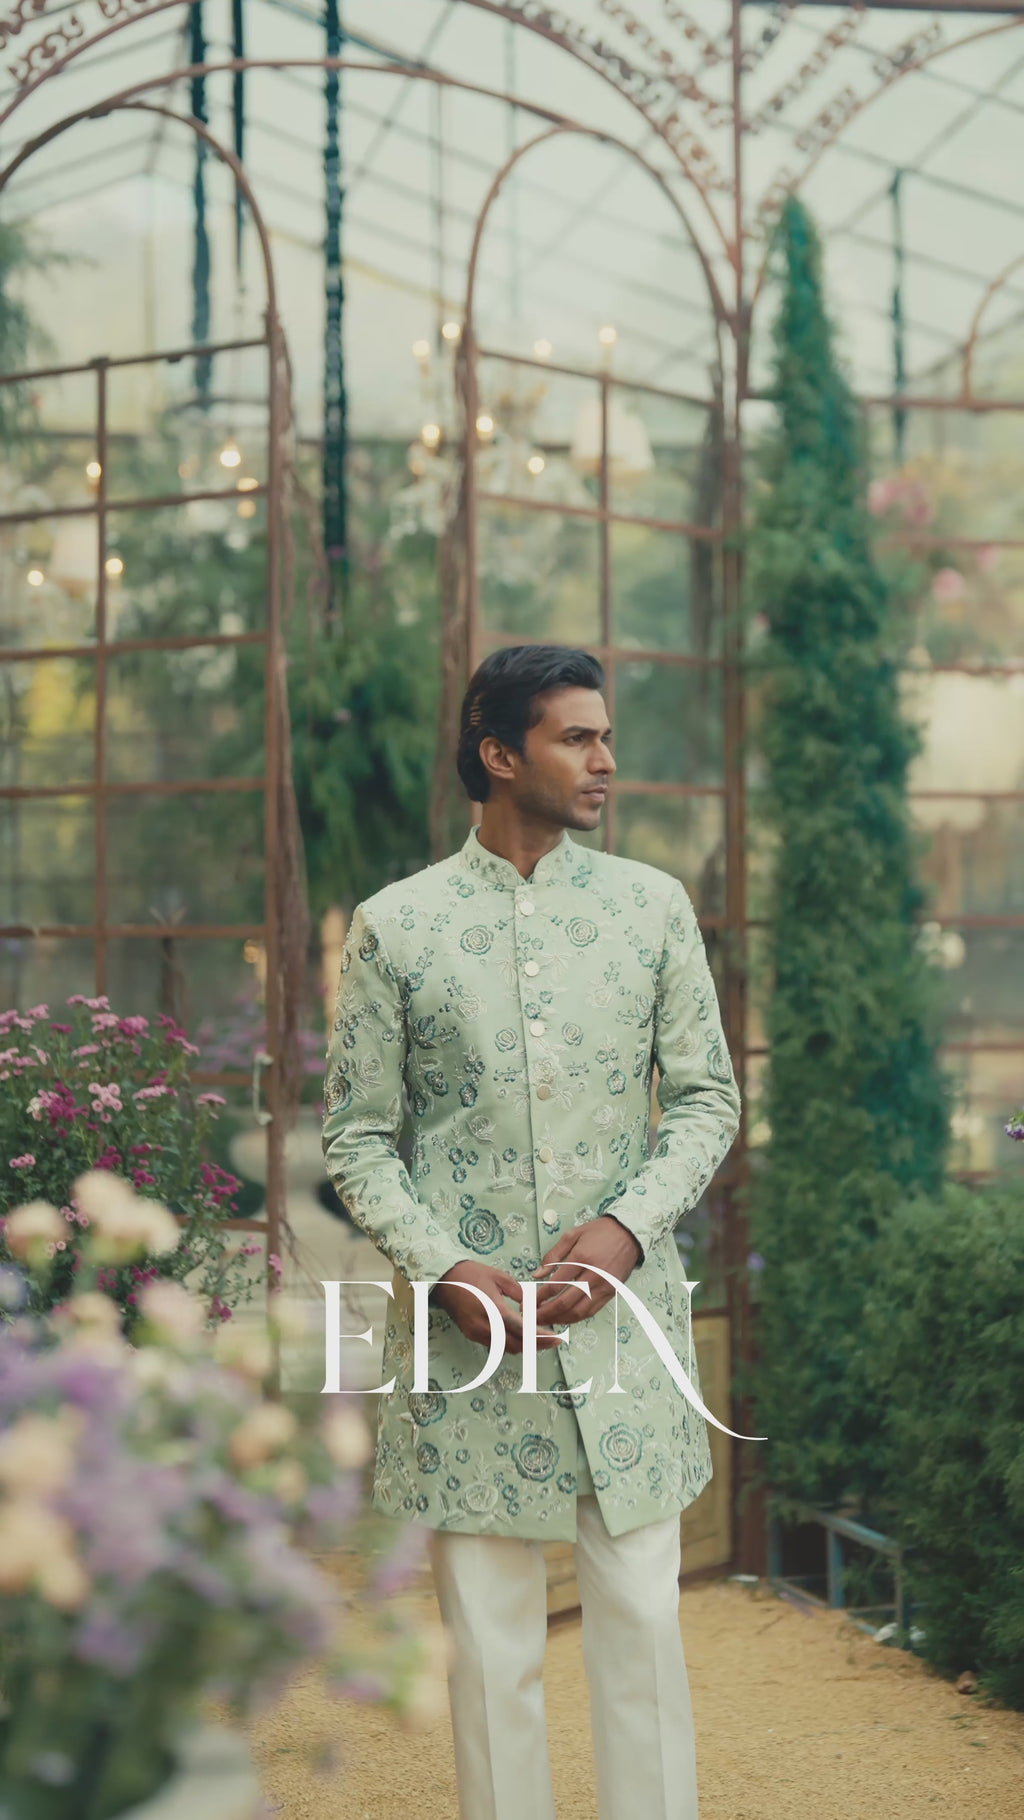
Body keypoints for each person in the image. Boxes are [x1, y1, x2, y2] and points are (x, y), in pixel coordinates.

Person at [323, 643, 740, 1820]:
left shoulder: (650, 907)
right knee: (492, 1647)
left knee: (642, 1625)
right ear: (500, 754)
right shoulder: (397, 925)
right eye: (577, 737)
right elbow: (356, 1135)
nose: (605, 760)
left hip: (624, 1333)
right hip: (469, 1342)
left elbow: (706, 1097)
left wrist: (626, 1229)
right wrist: (444, 1266)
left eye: (606, 737)